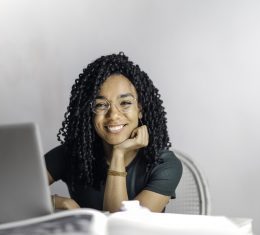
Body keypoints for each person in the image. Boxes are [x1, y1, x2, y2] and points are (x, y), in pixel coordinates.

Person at [45, 52, 182, 213]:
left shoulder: (164, 165)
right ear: (89, 112)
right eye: (101, 105)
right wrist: (57, 202)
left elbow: (123, 229)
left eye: (125, 103)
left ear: (140, 110)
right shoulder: (72, 154)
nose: (114, 115)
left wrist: (118, 153)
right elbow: (12, 195)